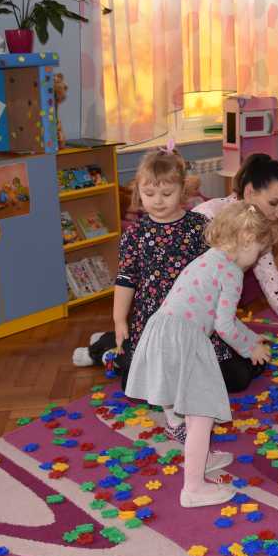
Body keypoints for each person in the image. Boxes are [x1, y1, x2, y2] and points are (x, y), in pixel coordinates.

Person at [126, 202, 276, 508]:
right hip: (187, 339)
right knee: (202, 414)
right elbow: (224, 325)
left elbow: (222, 319)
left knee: (184, 404)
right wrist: (251, 348)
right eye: (258, 251)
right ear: (247, 239)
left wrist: (250, 337)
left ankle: (201, 456)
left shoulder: (209, 259)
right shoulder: (232, 272)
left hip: (162, 331)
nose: (256, 259)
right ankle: (193, 488)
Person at [72, 150, 210, 389]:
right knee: (136, 384)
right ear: (139, 192)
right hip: (150, 320)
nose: (158, 201)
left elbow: (214, 271)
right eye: (149, 194)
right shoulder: (135, 234)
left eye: (167, 193)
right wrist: (118, 320)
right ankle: (102, 349)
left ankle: (107, 340)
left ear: (182, 190)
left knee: (225, 377)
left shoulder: (199, 226)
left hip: (191, 318)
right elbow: (125, 279)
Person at [193, 153, 278, 391]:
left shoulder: (256, 227)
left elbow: (273, 283)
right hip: (185, 318)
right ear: (249, 192)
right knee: (237, 374)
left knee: (249, 366)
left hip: (216, 321)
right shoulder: (206, 217)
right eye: (274, 203)